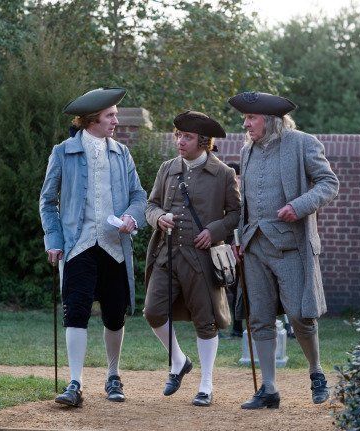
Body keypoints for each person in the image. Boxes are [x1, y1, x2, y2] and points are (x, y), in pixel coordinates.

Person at [228, 91, 339, 409]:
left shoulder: (302, 143)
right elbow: (246, 203)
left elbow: (328, 183)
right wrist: (238, 237)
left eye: (251, 118)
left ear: (271, 120)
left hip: (291, 247)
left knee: (300, 316)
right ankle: (269, 389)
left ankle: (316, 372)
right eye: (245, 119)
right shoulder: (247, 149)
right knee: (258, 320)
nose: (246, 124)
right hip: (254, 246)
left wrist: (300, 205)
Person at [39, 87, 146, 407]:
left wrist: (131, 217)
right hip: (78, 246)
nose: (116, 120)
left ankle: (113, 375)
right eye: (111, 115)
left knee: (115, 315)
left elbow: (139, 197)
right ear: (92, 119)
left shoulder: (122, 153)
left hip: (114, 246)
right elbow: (47, 202)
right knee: (76, 311)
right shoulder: (63, 152)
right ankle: (74, 382)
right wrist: (54, 241)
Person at [144, 111, 241, 406]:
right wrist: (159, 217)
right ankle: (179, 361)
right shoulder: (167, 168)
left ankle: (206, 384)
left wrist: (214, 231)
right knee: (152, 311)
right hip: (167, 255)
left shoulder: (223, 174)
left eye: (186, 137)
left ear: (203, 141)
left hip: (201, 260)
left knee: (206, 322)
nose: (179, 141)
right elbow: (151, 205)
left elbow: (236, 214)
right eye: (177, 135)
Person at [219, 161, 243, 339]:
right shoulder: (221, 195)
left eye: (237, 177)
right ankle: (221, 326)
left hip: (241, 246)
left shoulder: (244, 196)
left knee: (239, 288)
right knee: (224, 286)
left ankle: (237, 326)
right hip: (223, 245)